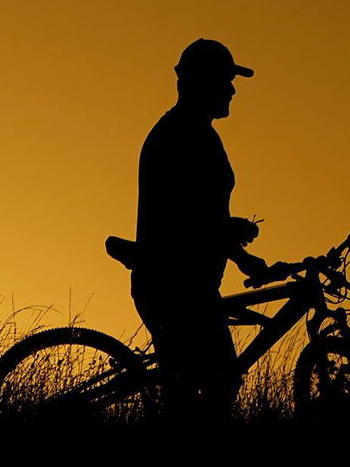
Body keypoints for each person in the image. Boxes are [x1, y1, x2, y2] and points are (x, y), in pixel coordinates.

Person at [131, 38, 269, 421]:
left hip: (189, 282)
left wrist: (239, 255)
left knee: (205, 388)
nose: (231, 90)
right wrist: (229, 229)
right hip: (174, 283)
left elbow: (202, 213)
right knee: (218, 381)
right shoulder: (179, 135)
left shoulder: (200, 135)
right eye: (225, 80)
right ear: (201, 83)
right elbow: (183, 216)